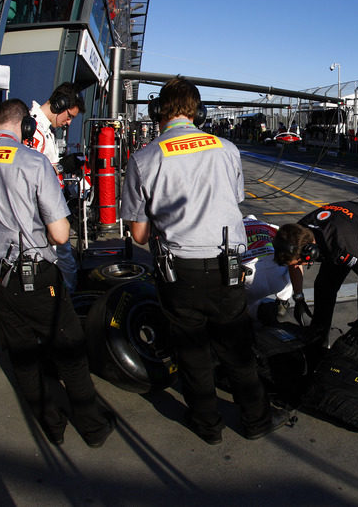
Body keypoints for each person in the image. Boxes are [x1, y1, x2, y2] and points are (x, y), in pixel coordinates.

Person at [120, 77, 288, 445]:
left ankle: (207, 424)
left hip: (177, 271)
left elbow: (138, 235)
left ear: (159, 111)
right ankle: (256, 419)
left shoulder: (144, 157)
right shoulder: (226, 149)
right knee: (237, 348)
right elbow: (236, 198)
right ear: (198, 111)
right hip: (227, 266)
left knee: (192, 353)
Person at [0, 99, 113, 448]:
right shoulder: (32, 161)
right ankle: (93, 428)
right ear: (25, 126)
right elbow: (59, 235)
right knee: (70, 353)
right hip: (38, 277)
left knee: (24, 359)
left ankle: (53, 426)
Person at [272, 197, 358, 353]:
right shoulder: (298, 232)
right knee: (323, 287)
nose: (296, 266)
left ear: (310, 253)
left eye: (299, 262)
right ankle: (317, 343)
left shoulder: (341, 245)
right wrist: (298, 297)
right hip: (345, 228)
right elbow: (294, 264)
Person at [29, 83, 85, 294]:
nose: (69, 123)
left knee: (65, 265)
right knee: (59, 266)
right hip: (42, 214)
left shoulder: (45, 130)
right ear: (59, 105)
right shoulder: (32, 129)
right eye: (69, 116)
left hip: (52, 208)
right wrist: (63, 166)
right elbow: (30, 173)